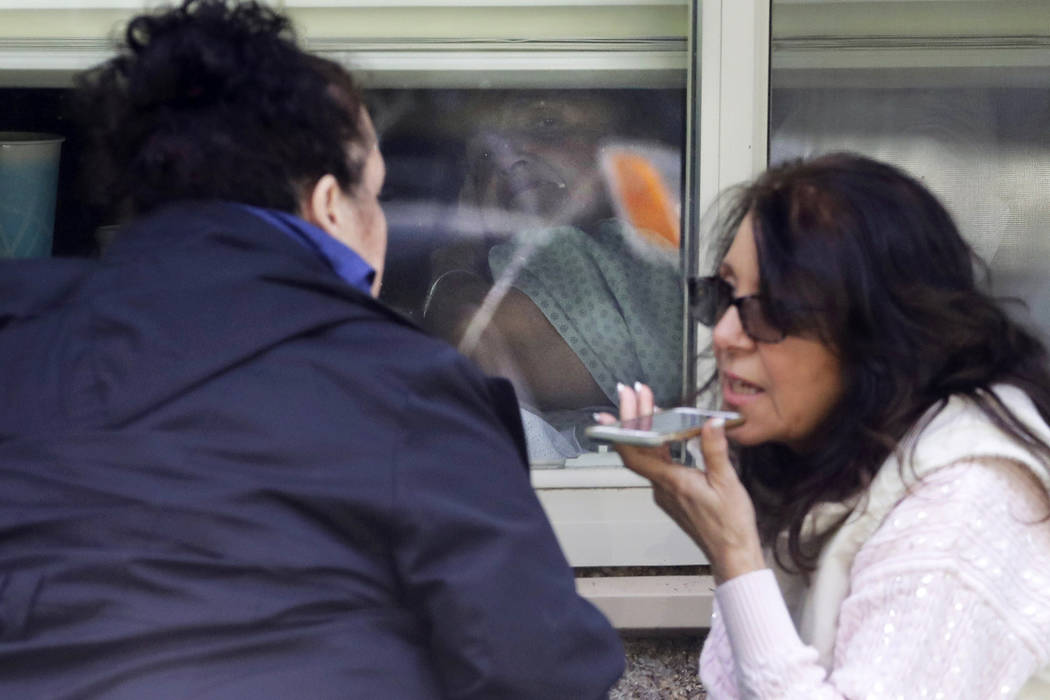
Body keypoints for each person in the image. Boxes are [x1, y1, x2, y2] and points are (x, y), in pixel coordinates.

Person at [0, 2, 625, 698]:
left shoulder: (18, 341)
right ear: (331, 206)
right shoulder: (402, 388)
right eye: (377, 196)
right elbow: (542, 673)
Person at [603, 152, 1050, 697]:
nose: (723, 333)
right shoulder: (835, 449)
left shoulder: (966, 498)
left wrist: (736, 557)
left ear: (881, 330)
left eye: (770, 309)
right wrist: (732, 546)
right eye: (724, 294)